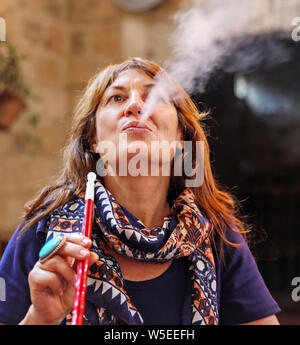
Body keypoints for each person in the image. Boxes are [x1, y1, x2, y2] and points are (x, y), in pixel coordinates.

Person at [0, 57, 281, 325]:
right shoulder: (42, 231)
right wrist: (39, 318)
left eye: (156, 97)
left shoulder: (218, 234)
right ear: (94, 139)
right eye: (117, 98)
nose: (135, 106)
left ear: (180, 138)